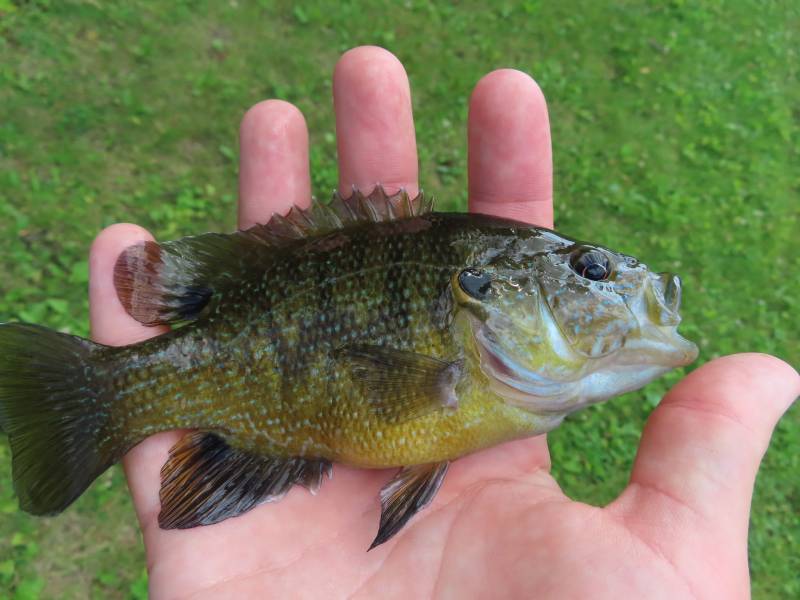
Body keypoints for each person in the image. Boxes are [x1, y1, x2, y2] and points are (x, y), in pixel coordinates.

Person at [88, 46, 798, 598]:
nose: (617, 286)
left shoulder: (493, 384)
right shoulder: (474, 373)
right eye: (591, 271)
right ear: (481, 295)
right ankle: (99, 392)